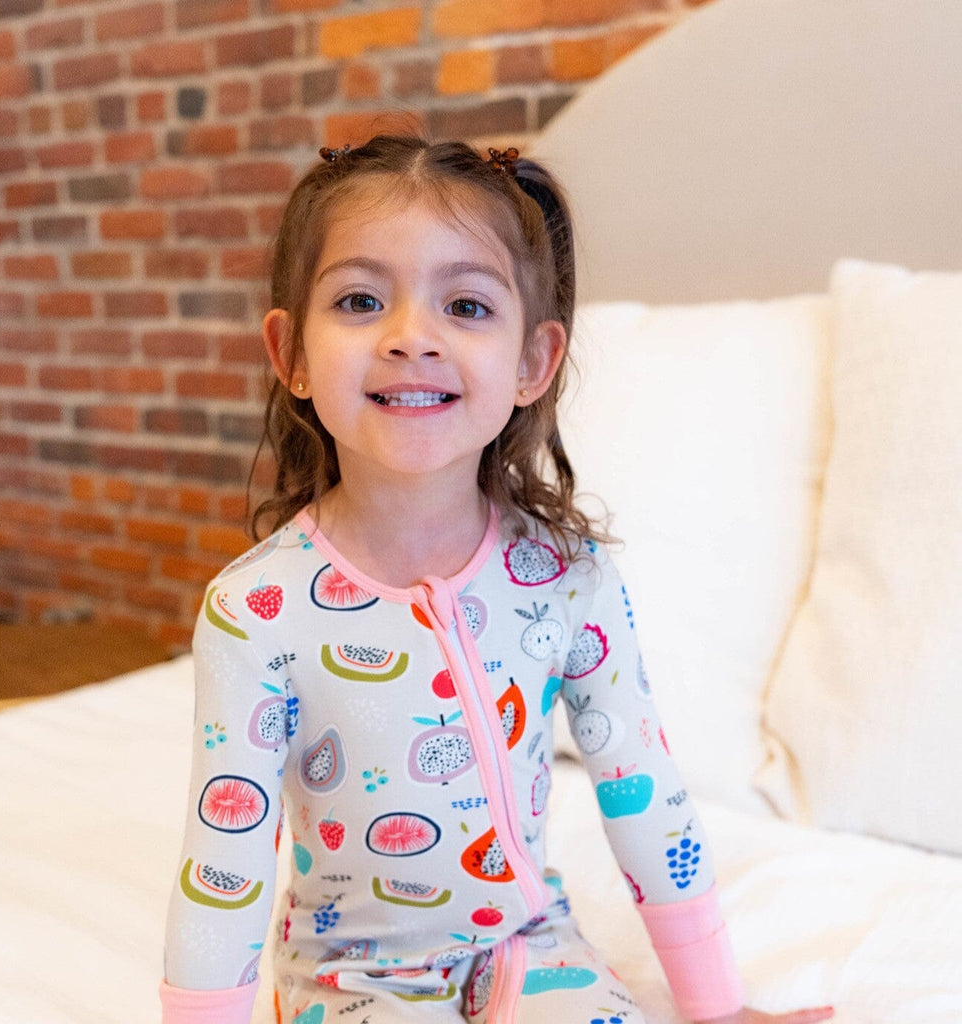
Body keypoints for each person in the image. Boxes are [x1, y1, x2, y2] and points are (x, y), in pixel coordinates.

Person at [161, 135, 835, 1024]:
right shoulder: (257, 613)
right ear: (290, 353)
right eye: (361, 300)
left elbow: (645, 791)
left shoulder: (566, 580)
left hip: (527, 942)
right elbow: (226, 858)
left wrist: (717, 1007)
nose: (411, 338)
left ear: (532, 362)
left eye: (467, 305)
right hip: (353, 976)